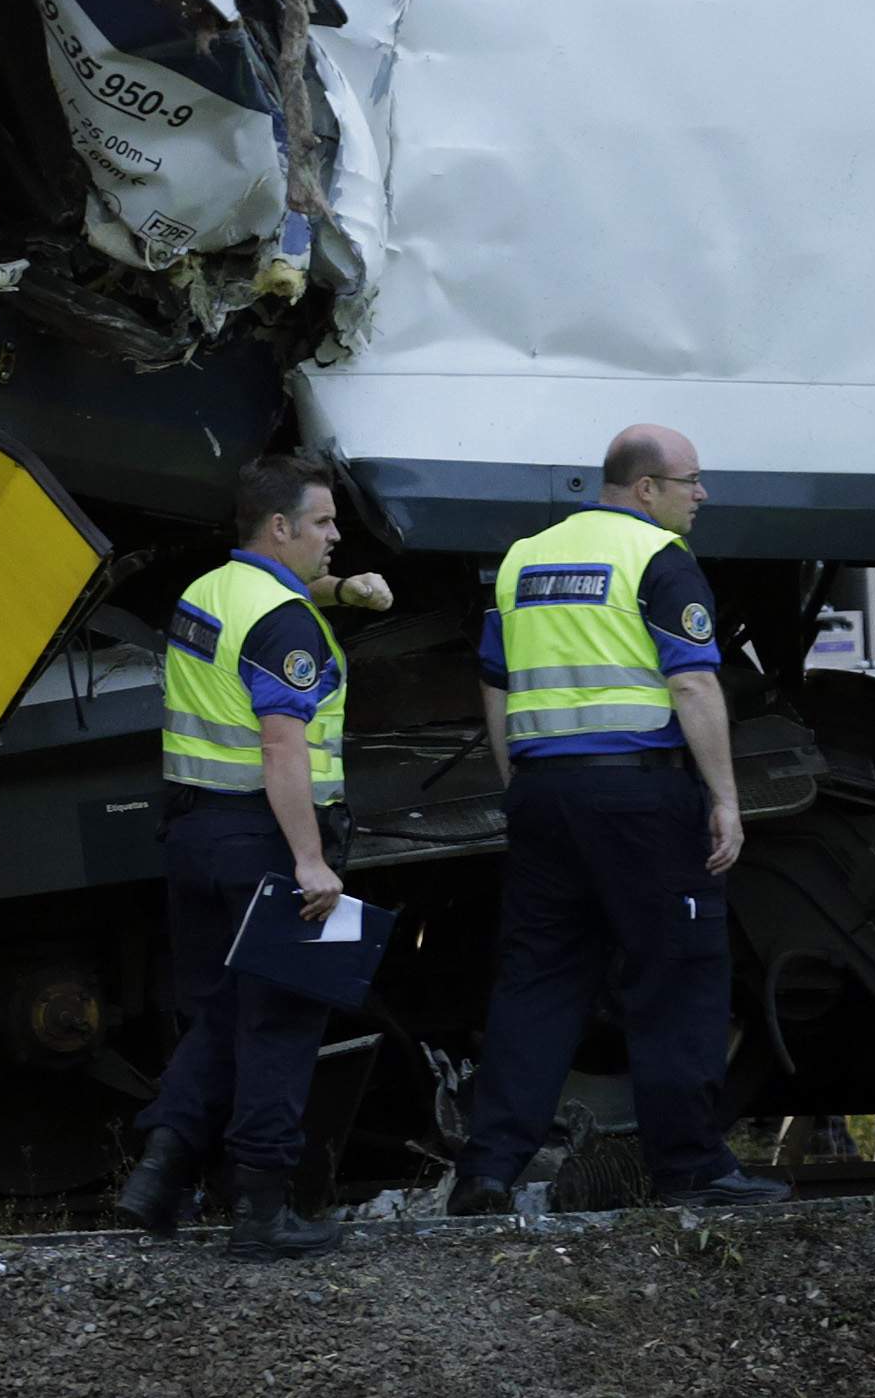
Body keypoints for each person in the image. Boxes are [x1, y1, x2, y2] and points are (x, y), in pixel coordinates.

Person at [447, 425, 790, 1213]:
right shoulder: (659, 561)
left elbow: (494, 685)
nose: (701, 495)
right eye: (691, 481)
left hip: (543, 796)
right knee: (678, 976)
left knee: (538, 980)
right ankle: (691, 1168)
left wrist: (521, 783)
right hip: (639, 797)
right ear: (647, 488)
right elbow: (695, 686)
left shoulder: (523, 559)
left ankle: (489, 1170)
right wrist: (726, 799)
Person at [113, 455, 392, 1258]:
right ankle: (262, 1214)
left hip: (195, 838)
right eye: (324, 524)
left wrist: (345, 591)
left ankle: (159, 1175)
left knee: (223, 1015)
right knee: (285, 1022)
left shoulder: (206, 593)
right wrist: (312, 861)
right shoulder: (287, 624)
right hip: (271, 842)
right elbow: (283, 746)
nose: (337, 536)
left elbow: (273, 604)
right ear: (280, 529)